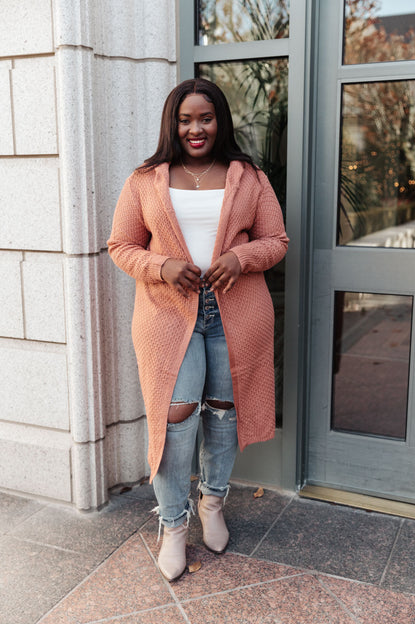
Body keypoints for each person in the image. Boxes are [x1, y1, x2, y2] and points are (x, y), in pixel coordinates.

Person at [107, 78, 289, 581]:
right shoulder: (145, 179)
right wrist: (163, 267)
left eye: (204, 118)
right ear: (173, 123)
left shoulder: (247, 176)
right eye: (185, 119)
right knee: (176, 414)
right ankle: (171, 524)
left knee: (225, 412)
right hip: (169, 313)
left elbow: (277, 240)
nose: (195, 128)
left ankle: (212, 502)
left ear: (219, 121)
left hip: (236, 310)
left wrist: (239, 255)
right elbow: (121, 245)